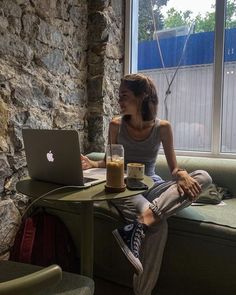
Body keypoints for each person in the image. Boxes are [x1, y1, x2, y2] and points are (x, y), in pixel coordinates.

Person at [81, 73, 212, 295]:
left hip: (154, 186)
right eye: (118, 97)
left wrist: (180, 174)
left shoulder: (163, 128)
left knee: (204, 177)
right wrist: (91, 162)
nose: (119, 102)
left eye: (124, 96)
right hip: (125, 189)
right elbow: (110, 160)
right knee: (159, 226)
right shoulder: (116, 125)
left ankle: (140, 223)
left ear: (142, 97)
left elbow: (173, 168)